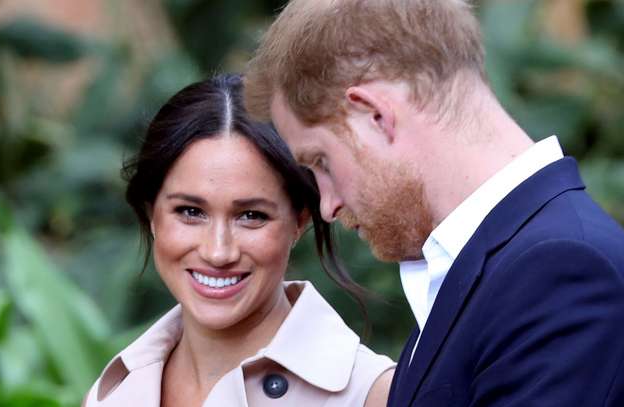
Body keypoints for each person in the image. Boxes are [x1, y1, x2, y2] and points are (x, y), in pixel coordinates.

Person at [243, 0, 624, 406]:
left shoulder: (562, 271)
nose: (327, 206)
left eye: (321, 161)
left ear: (375, 115)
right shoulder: (487, 268)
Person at [82, 74, 395, 407]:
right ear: (152, 215)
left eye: (251, 216)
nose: (218, 252)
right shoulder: (112, 395)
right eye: (190, 211)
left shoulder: (371, 394)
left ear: (299, 221)